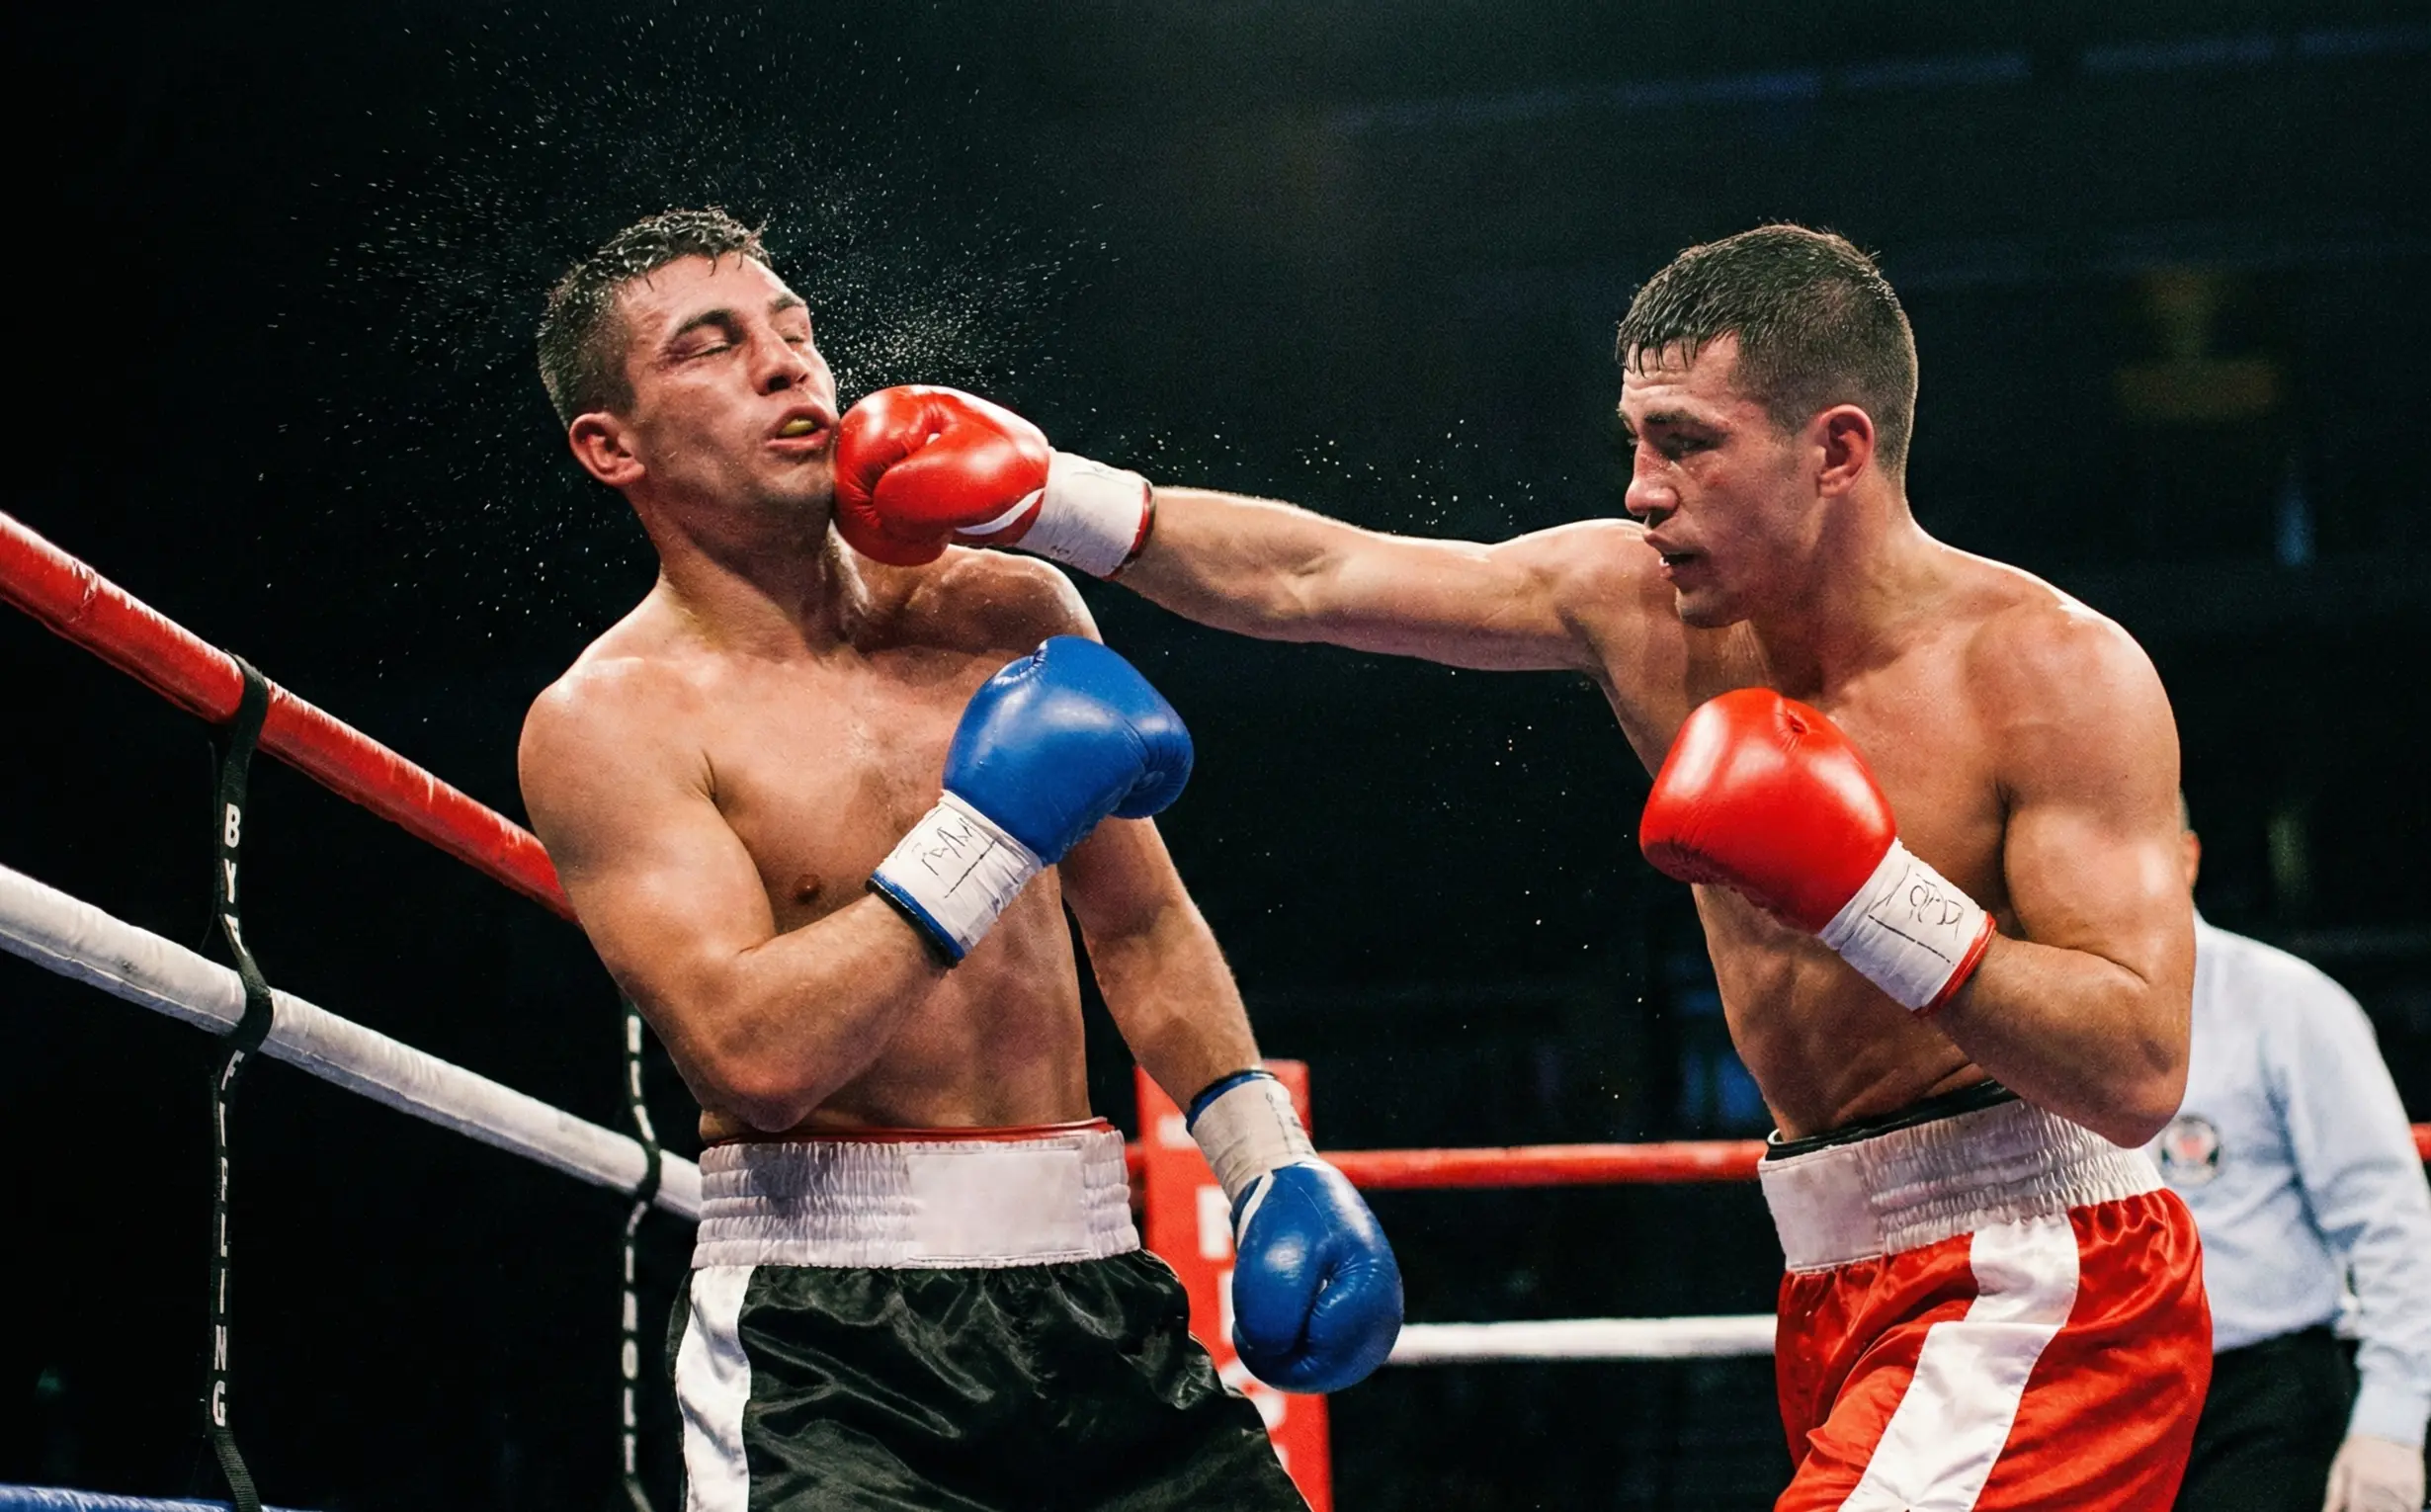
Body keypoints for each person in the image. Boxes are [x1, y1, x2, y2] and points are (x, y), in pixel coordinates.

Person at [832, 224, 2212, 1508]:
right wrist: (1048, 494)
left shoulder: (2046, 671)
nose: (1640, 488)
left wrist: (1868, 892)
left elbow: (2138, 1069)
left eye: (1688, 443)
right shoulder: (1639, 603)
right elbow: (1317, 576)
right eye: (1635, 439)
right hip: (1833, 1261)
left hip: (2042, 1269)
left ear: (1836, 449)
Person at [515, 209, 1402, 1512]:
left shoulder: (1009, 603)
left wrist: (1265, 1157)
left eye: (794, 330)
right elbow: (752, 1058)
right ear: (611, 444)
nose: (784, 366)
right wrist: (986, 832)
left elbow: (1141, 925)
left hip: (1100, 1289)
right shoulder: (610, 721)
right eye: (710, 349)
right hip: (833, 1342)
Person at [2154, 807, 2431, 1512]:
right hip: (2094, 1399)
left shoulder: (2285, 1002)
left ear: (2187, 858)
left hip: (2266, 1401)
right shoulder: (2035, 1024)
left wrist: (2393, 1423)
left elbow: (2389, 1214)